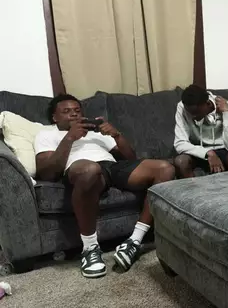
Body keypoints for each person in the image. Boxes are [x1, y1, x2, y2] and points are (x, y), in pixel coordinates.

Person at [34, 94, 176, 278]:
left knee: (165, 169)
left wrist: (116, 135)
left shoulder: (94, 133)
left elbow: (131, 159)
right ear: (55, 117)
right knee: (90, 170)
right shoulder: (46, 134)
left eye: (77, 111)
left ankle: (134, 241)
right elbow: (47, 172)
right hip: (81, 169)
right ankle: (90, 248)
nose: (74, 115)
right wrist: (69, 138)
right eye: (67, 112)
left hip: (111, 166)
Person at [173, 84, 228, 178]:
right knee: (181, 161)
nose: (192, 117)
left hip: (224, 150)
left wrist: (226, 113)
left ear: (208, 104)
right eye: (190, 113)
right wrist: (207, 153)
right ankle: (192, 192)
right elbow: (179, 143)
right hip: (197, 151)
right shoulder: (182, 107)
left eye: (196, 113)